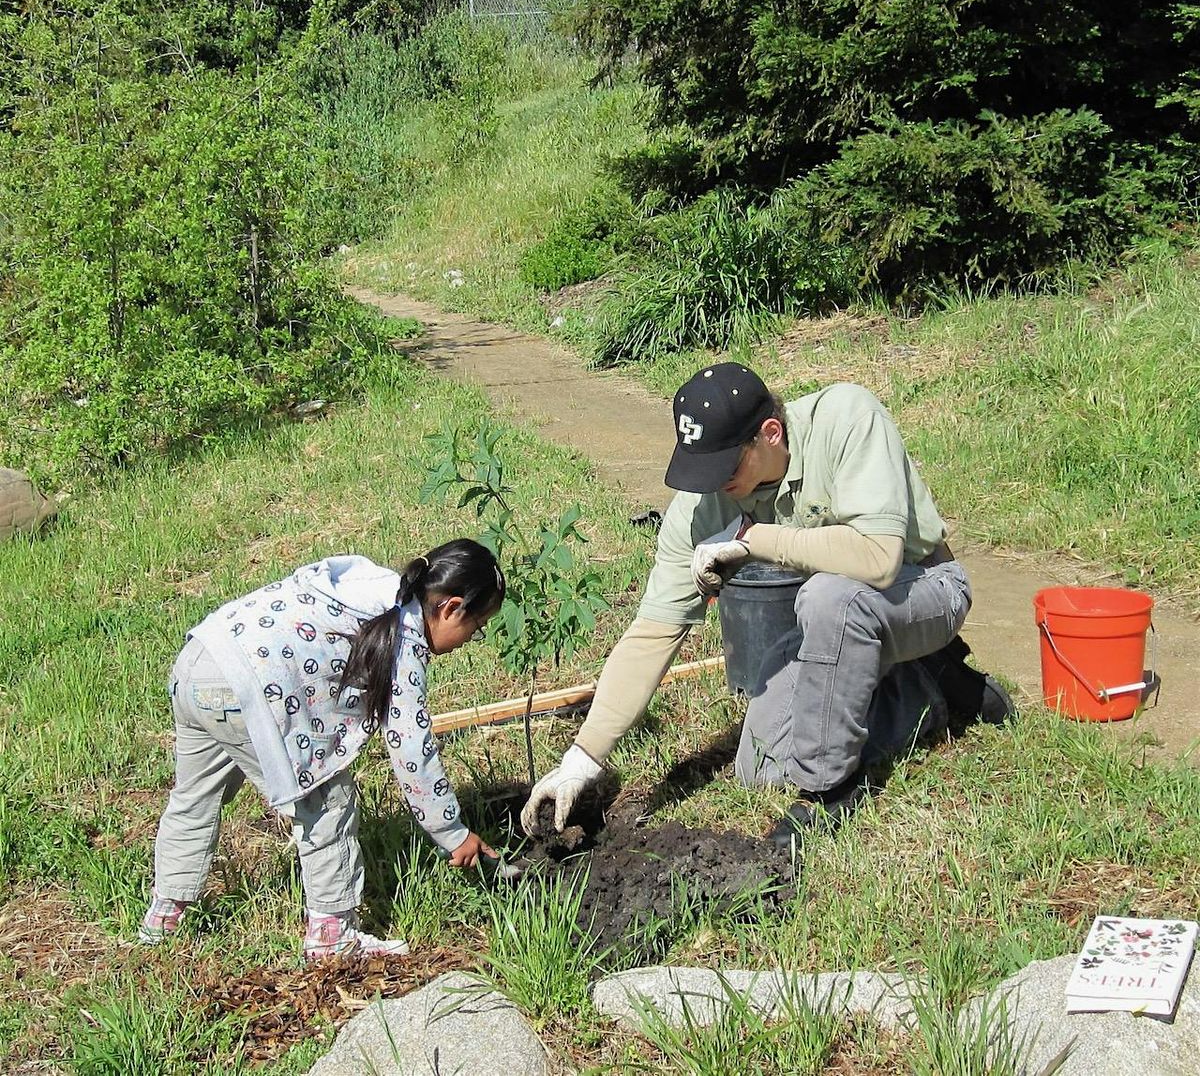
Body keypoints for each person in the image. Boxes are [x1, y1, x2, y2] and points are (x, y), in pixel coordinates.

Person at [522, 363, 1011, 844]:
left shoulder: (847, 419)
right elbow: (654, 630)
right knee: (763, 763)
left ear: (770, 434)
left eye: (726, 467)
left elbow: (879, 559)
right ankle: (927, 688)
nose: (715, 485)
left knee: (829, 597)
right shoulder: (700, 507)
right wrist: (581, 759)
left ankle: (828, 790)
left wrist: (756, 538)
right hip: (837, 621)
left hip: (922, 585)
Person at [140, 539, 505, 959]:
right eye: (474, 629)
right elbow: (411, 750)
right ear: (450, 608)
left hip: (201, 659)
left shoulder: (368, 585)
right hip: (246, 690)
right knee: (329, 800)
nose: (468, 641)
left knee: (194, 797)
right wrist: (452, 833)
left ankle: (163, 918)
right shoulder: (405, 637)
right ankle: (333, 937)